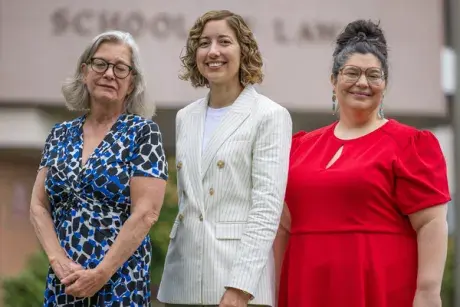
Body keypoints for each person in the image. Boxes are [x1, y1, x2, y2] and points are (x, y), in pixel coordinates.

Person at [274, 19, 451, 307]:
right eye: (352, 73)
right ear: (333, 80)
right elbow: (283, 227)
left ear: (385, 84)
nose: (362, 83)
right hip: (305, 287)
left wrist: (428, 294)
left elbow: (431, 224)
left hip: (380, 289)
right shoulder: (299, 147)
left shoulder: (410, 144)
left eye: (373, 75)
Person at [157, 10, 292, 307]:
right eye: (204, 43)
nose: (213, 51)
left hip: (238, 286)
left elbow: (267, 208)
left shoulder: (270, 115)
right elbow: (188, 203)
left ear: (244, 50)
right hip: (182, 281)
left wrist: (240, 288)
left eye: (224, 41)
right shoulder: (185, 117)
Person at [29, 30, 168, 306]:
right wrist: (58, 261)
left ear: (131, 83)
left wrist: (100, 274)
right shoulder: (59, 134)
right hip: (64, 281)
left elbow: (146, 213)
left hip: (120, 282)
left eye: (120, 68)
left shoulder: (143, 133)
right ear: (85, 71)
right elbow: (38, 205)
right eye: (100, 64)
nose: (109, 74)